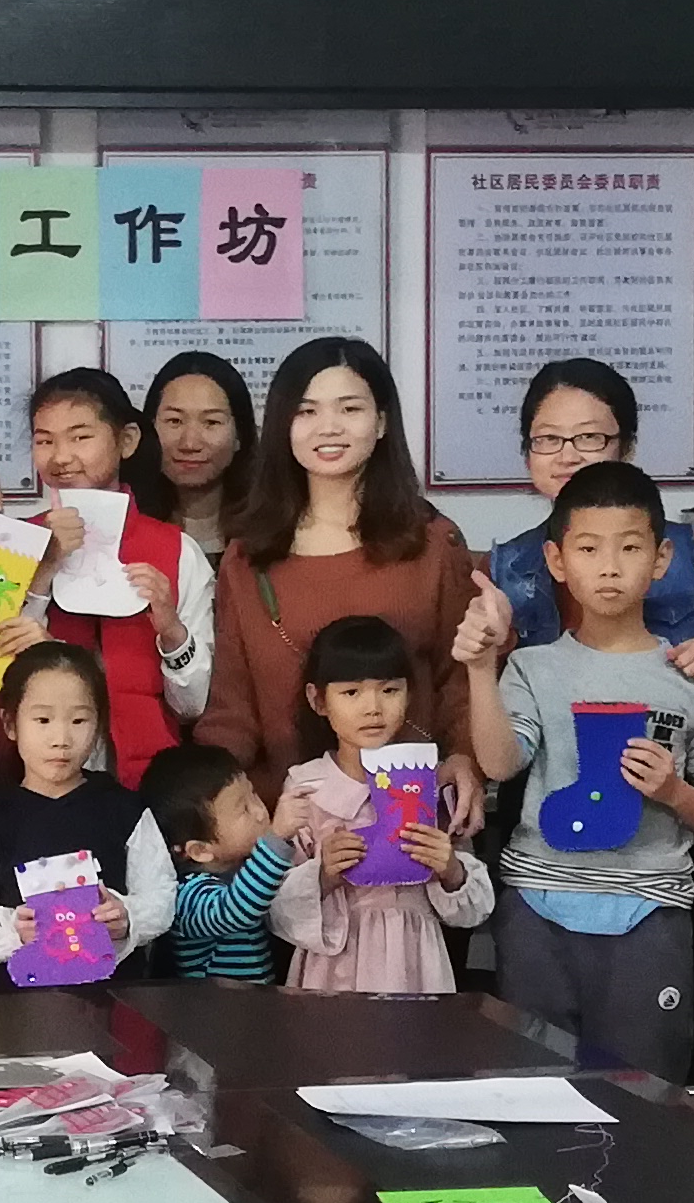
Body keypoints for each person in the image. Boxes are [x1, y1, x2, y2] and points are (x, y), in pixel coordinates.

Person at [458, 461, 694, 1082]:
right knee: (528, 1087)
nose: (610, 567)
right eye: (589, 549)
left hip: (650, 914)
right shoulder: (534, 668)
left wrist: (675, 793)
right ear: (558, 561)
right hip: (536, 910)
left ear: (662, 558)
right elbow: (501, 762)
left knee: (644, 1094)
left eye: (630, 547)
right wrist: (482, 670)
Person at [195, 339, 488, 834]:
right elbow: (232, 706)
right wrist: (206, 800)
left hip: (412, 821)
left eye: (349, 408)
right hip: (294, 824)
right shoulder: (249, 557)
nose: (328, 427)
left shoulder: (433, 542)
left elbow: (459, 679)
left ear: (382, 421)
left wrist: (465, 756)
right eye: (306, 411)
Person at [0, 368, 207, 769]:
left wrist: (172, 630)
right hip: (38, 781)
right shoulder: (10, 540)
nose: (60, 457)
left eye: (80, 437)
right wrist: (13, 541)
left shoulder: (176, 551)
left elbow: (193, 706)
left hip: (151, 781)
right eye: (45, 441)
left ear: (127, 440)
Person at [269, 616, 494, 993]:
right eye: (351, 693)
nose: (373, 707)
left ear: (409, 694)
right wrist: (322, 875)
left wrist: (451, 870)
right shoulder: (306, 787)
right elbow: (273, 905)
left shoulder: (431, 782)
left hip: (416, 963)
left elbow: (475, 908)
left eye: (390, 690)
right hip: (333, 968)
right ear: (318, 700)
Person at [0, 642, 175, 981]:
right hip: (17, 1004)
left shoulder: (125, 810)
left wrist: (128, 917)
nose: (61, 738)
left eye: (78, 720)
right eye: (43, 720)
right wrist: (14, 929)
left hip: (114, 995)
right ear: (10, 723)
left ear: (99, 724)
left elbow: (161, 894)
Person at [490, 358, 694, 680]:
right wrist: (490, 648)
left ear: (627, 447)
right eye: (549, 438)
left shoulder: (692, 550)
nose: (568, 456)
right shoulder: (503, 568)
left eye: (589, 437)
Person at [140, 744, 290, 985]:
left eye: (253, 794)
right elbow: (236, 910)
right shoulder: (188, 895)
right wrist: (277, 839)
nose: (261, 812)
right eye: (243, 809)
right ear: (200, 850)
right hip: (217, 1006)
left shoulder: (242, 866)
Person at [145, 349, 256, 561]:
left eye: (211, 422)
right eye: (175, 421)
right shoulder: (123, 530)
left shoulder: (272, 532)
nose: (190, 444)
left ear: (239, 435)